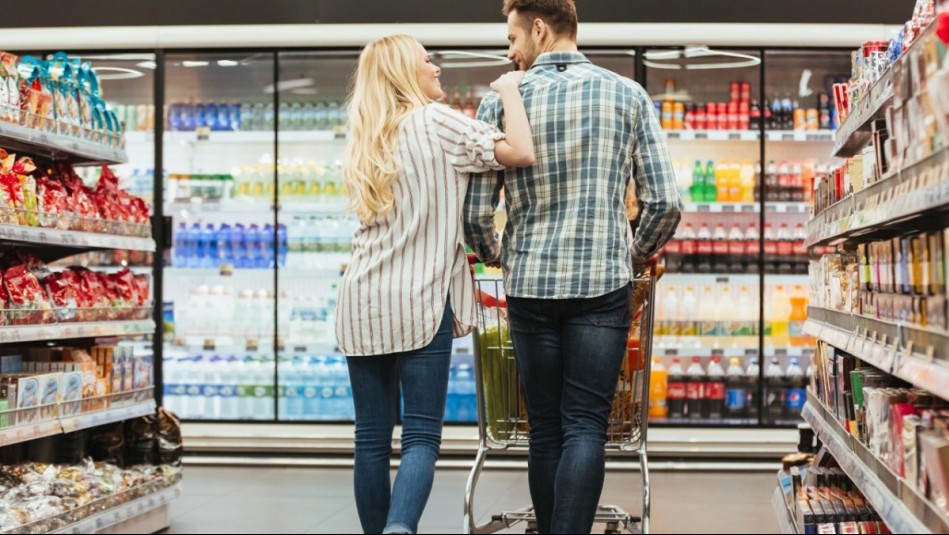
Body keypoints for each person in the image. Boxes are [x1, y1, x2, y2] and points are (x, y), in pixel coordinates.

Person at [464, 1, 682, 533]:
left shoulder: (501, 104)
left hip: (531, 284)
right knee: (586, 424)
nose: (510, 51)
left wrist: (497, 254)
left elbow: (474, 214)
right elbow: (666, 203)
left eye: (513, 36)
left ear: (539, 29)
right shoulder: (627, 94)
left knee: (544, 428)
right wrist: (628, 254)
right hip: (601, 285)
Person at [335, 34, 535, 535]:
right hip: (420, 300)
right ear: (407, 72)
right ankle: (401, 528)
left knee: (371, 439)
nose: (437, 69)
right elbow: (521, 151)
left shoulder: (367, 135)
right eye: (428, 61)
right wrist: (511, 89)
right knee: (422, 435)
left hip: (360, 300)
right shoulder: (436, 121)